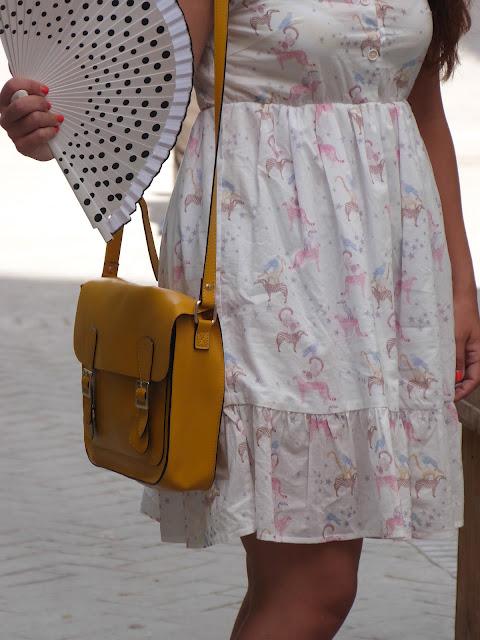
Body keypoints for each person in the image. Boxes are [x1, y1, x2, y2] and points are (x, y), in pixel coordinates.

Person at [1, 1, 479, 638]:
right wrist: (45, 121)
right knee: (318, 586)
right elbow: (132, 84)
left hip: (381, 275)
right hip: (271, 263)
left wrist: (460, 287)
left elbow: (422, 106)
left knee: (288, 583)